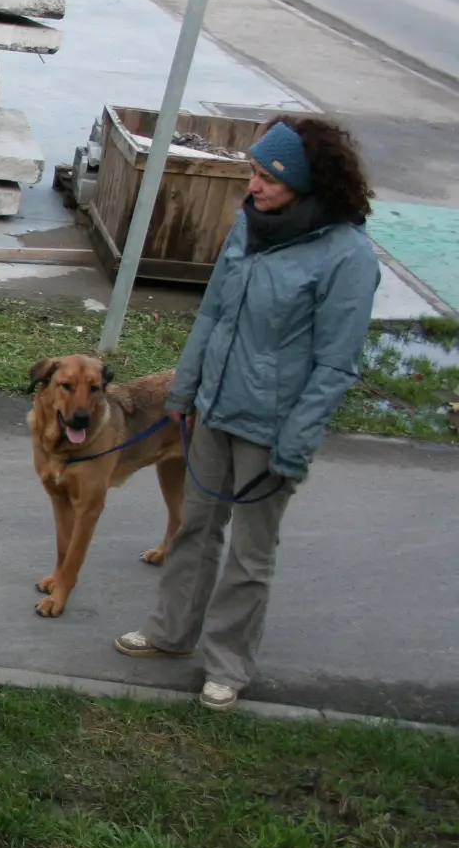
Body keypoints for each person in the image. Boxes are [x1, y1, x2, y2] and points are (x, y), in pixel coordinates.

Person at [115, 117, 380, 711]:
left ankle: (227, 665)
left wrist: (296, 446)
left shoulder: (348, 258)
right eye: (253, 173)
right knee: (195, 527)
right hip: (213, 411)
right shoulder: (249, 227)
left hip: (273, 430)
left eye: (266, 177)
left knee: (250, 555)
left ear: (309, 185)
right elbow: (212, 316)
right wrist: (184, 395)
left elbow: (335, 366)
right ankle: (171, 633)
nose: (252, 186)